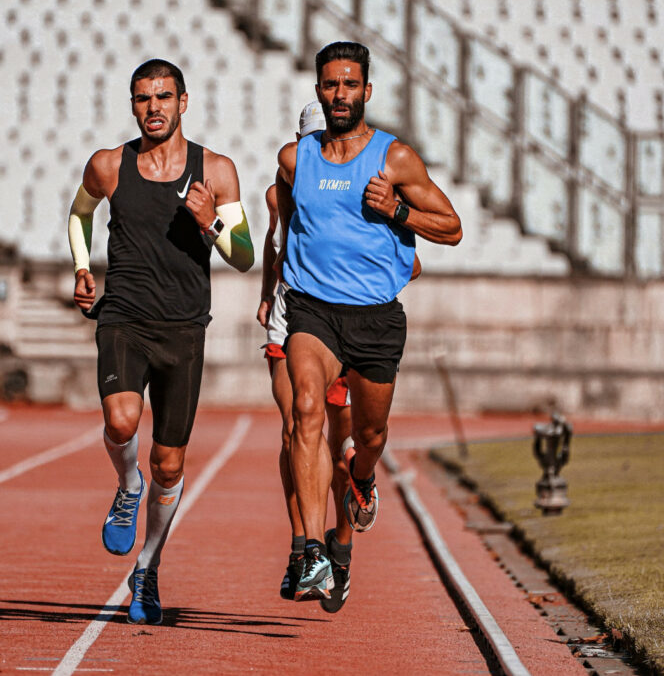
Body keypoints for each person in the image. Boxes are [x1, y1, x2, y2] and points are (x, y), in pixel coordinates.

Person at [69, 58, 254, 625]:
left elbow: (245, 257)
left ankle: (146, 570)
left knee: (170, 465)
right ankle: (128, 484)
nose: (154, 108)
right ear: (132, 105)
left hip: (184, 328)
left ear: (183, 101)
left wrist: (211, 223)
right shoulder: (108, 165)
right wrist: (82, 267)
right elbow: (79, 215)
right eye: (144, 98)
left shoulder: (216, 171)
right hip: (123, 316)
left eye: (164, 97)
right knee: (121, 423)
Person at [275, 42, 461, 601]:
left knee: (368, 436)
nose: (340, 94)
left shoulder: (393, 158)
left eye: (350, 84)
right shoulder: (293, 159)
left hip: (375, 318)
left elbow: (451, 228)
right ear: (318, 92)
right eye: (330, 85)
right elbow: (286, 230)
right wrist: (272, 291)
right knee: (306, 408)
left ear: (367, 91)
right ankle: (308, 550)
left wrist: (396, 211)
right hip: (313, 310)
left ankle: (359, 479)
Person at [258, 101, 423, 612]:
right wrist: (269, 293)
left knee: (345, 443)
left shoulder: (364, 180)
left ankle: (342, 547)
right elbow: (275, 242)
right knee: (297, 428)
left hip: (356, 317)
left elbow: (412, 262)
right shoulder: (282, 186)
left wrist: (366, 268)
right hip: (300, 313)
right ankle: (303, 550)